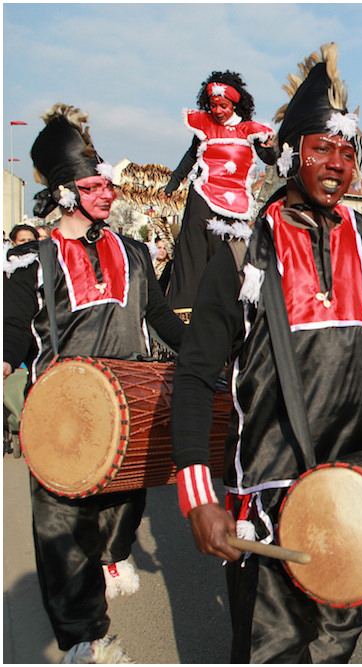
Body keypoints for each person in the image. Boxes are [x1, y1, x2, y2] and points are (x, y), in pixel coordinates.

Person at [170, 43, 362, 663]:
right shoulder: (240, 255)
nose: (337, 164)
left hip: (360, 481)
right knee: (271, 647)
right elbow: (196, 377)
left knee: (339, 641)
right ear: (289, 155)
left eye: (347, 150)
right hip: (275, 484)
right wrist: (198, 495)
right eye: (321, 148)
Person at [3, 104, 186, 663]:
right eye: (95, 185)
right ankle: (85, 638)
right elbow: (11, 334)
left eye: (108, 183)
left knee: (123, 511)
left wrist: (204, 358)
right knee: (63, 531)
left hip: (127, 412)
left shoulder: (132, 253)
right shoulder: (30, 261)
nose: (108, 193)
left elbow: (158, 318)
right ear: (64, 193)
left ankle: (113, 554)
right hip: (60, 418)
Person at [162, 70, 276, 318]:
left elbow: (267, 156)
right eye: (213, 105)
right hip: (203, 191)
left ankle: (225, 308)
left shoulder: (249, 130)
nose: (218, 111)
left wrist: (274, 152)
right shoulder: (204, 127)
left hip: (234, 199)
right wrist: (173, 182)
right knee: (193, 243)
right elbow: (191, 156)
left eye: (223, 105)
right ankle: (185, 309)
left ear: (234, 104)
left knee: (226, 250)